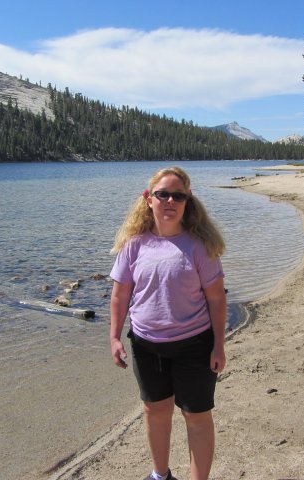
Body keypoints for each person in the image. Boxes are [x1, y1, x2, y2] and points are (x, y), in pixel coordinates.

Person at [109, 166, 227, 480]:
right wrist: (115, 337)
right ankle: (160, 475)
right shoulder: (134, 245)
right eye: (163, 194)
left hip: (194, 346)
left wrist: (219, 345)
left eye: (178, 195)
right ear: (149, 199)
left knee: (197, 416)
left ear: (188, 201)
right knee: (155, 412)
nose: (170, 201)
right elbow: (120, 296)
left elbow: (216, 298)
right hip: (147, 346)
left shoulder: (199, 246)